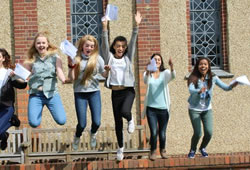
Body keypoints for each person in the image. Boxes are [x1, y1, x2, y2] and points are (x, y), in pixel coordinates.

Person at [100, 11, 142, 161]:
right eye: (118, 46)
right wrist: (104, 27)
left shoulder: (128, 58)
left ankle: (130, 119)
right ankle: (120, 149)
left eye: (123, 46)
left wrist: (136, 26)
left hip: (128, 91)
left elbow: (133, 40)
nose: (121, 48)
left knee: (125, 111)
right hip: (115, 93)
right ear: (114, 47)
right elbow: (104, 45)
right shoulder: (109, 57)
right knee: (118, 122)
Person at [187, 57, 238, 159]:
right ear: (197, 66)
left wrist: (233, 85)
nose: (203, 66)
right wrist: (198, 91)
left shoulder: (213, 77)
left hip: (207, 109)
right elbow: (191, 89)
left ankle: (202, 148)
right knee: (198, 132)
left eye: (205, 64)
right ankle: (192, 149)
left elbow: (226, 87)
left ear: (208, 66)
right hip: (194, 109)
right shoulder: (193, 77)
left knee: (209, 132)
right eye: (201, 64)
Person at [67, 35, 107, 150]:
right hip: (80, 93)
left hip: (94, 92)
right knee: (82, 124)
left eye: (92, 46)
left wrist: (107, 71)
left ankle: (93, 134)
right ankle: (77, 136)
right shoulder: (76, 58)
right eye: (87, 46)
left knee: (97, 122)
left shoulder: (98, 59)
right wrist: (70, 66)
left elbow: (104, 74)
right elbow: (72, 78)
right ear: (82, 46)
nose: (89, 48)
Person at [25, 32, 67, 128]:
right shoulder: (31, 59)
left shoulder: (55, 57)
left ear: (47, 44)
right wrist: (17, 77)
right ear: (35, 45)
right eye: (38, 43)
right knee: (34, 123)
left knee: (62, 120)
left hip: (52, 94)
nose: (41, 45)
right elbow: (24, 75)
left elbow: (59, 71)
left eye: (43, 43)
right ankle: (36, 110)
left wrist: (63, 80)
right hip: (36, 94)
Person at [142, 53, 175, 161]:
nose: (157, 61)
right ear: (151, 61)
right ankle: (153, 151)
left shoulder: (165, 73)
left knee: (162, 132)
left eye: (159, 60)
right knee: (154, 132)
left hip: (163, 109)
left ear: (161, 62)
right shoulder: (148, 74)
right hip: (151, 109)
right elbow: (145, 81)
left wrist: (172, 66)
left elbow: (172, 76)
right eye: (155, 59)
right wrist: (148, 70)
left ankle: (163, 150)